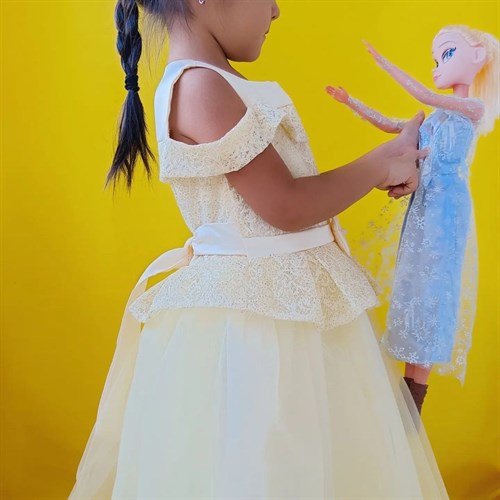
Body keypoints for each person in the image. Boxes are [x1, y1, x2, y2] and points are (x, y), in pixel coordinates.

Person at [69, 0, 449, 498]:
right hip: (259, 324)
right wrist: (379, 165)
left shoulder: (214, 82)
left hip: (289, 304)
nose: (275, 11)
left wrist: (392, 156)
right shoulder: (200, 86)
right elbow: (285, 206)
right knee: (265, 461)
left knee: (314, 461)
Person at [326, 25, 499, 414]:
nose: (438, 66)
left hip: (447, 210)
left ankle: (413, 400)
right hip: (423, 205)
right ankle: (409, 396)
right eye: (435, 59)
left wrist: (385, 65)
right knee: (415, 287)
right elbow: (392, 124)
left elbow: (424, 94)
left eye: (447, 54)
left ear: (477, 56)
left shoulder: (472, 109)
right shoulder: (435, 119)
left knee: (435, 290)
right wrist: (351, 102)